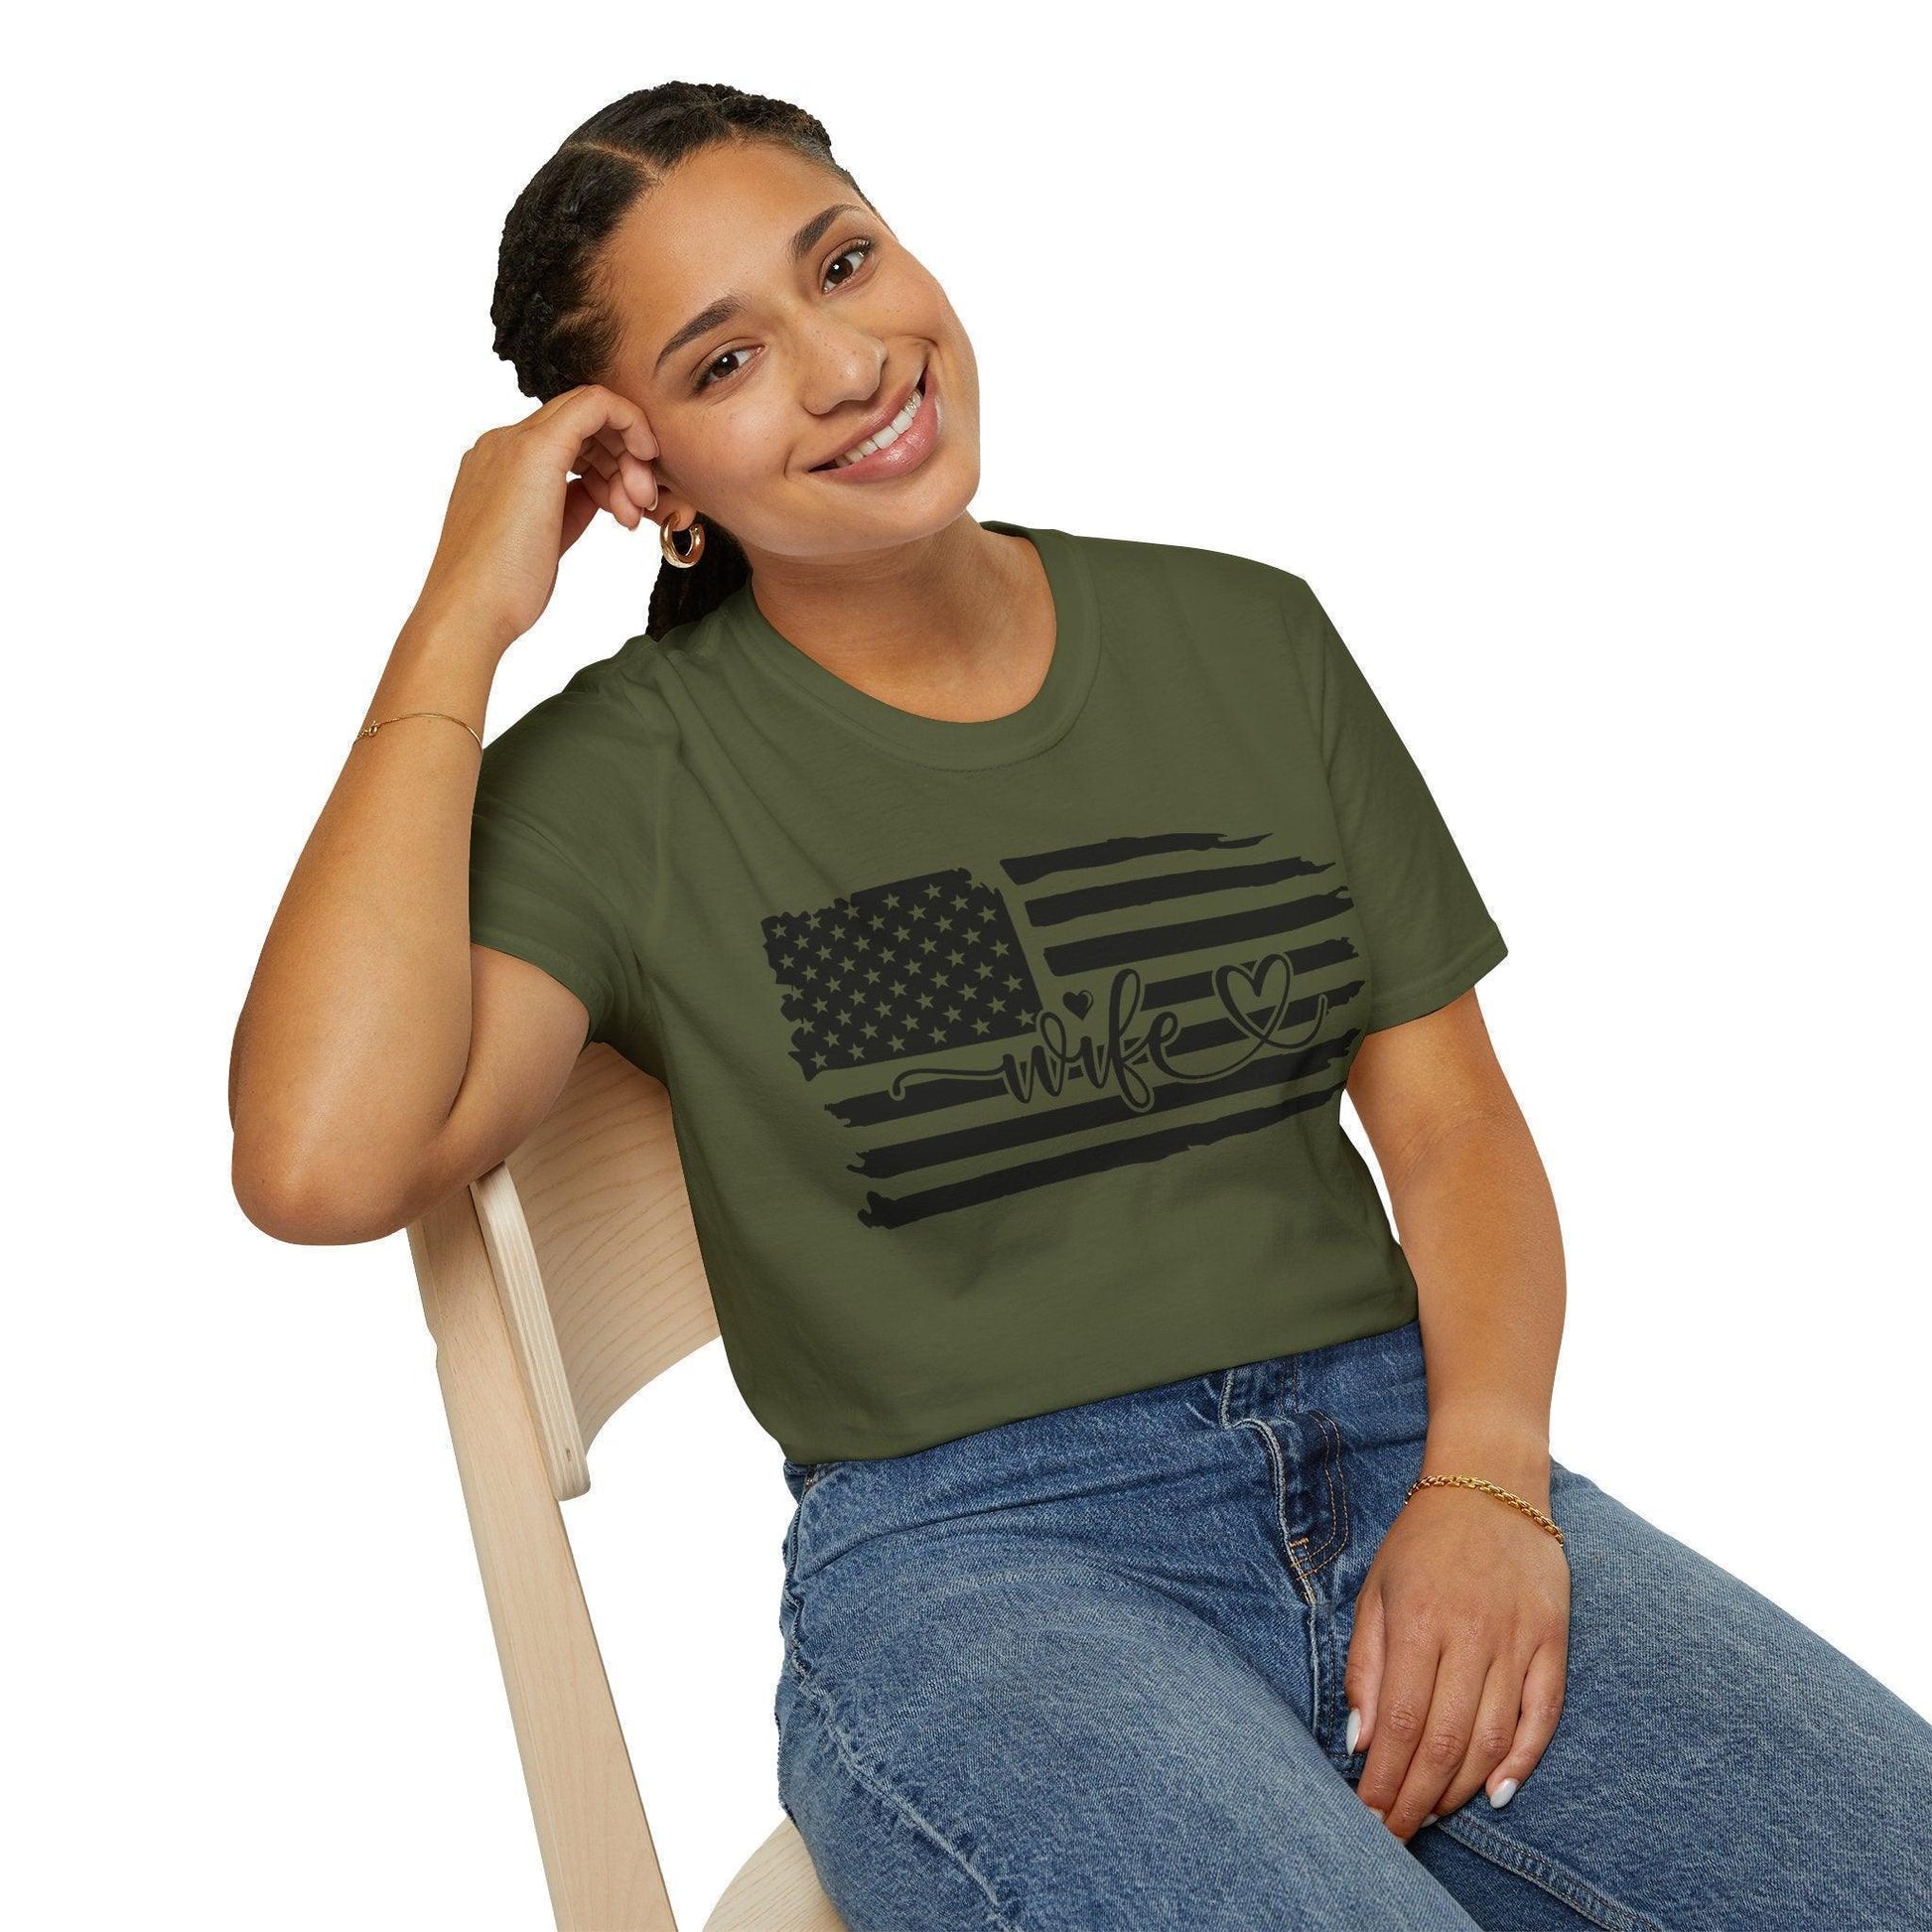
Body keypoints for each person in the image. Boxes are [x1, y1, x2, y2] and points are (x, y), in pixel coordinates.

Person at [229, 80, 1932, 1930]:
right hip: (982, 1567)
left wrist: (1490, 1488)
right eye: (724, 363)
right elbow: (321, 1160)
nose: (846, 362)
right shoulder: (630, 777)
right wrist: (455, 620)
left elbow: (1452, 1133)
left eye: (846, 262)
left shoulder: (1245, 638)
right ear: (648, 482)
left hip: (1404, 1451)